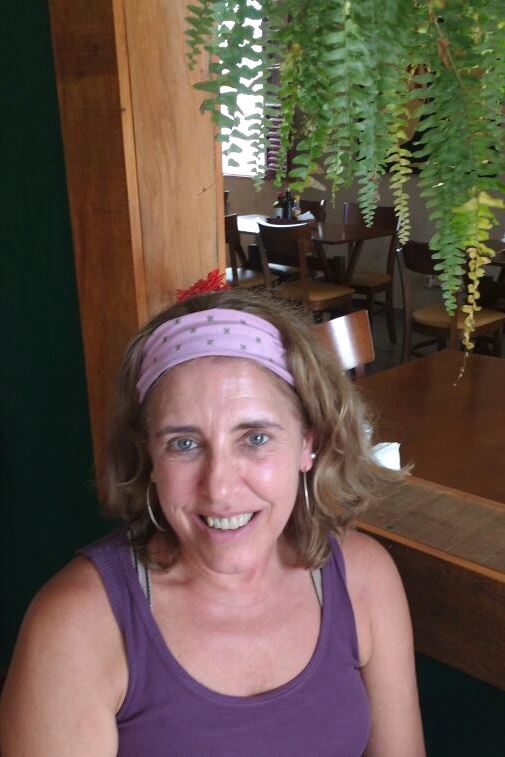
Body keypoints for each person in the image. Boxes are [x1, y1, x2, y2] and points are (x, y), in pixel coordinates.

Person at [0, 286, 425, 756]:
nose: (219, 489)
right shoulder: (76, 625)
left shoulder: (364, 579)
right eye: (184, 444)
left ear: (309, 442)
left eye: (255, 437)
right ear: (149, 456)